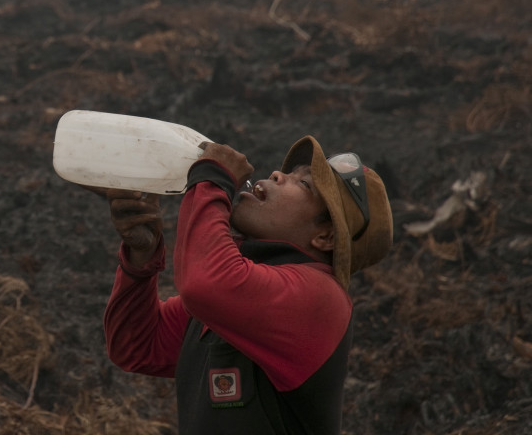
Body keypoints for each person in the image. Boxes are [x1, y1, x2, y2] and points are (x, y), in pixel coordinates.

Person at [98, 136, 393, 434]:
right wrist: (141, 259)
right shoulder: (239, 288)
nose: (277, 174)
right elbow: (136, 346)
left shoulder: (320, 297)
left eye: (303, 184)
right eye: (288, 172)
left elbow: (204, 283)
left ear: (325, 238)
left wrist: (213, 177)